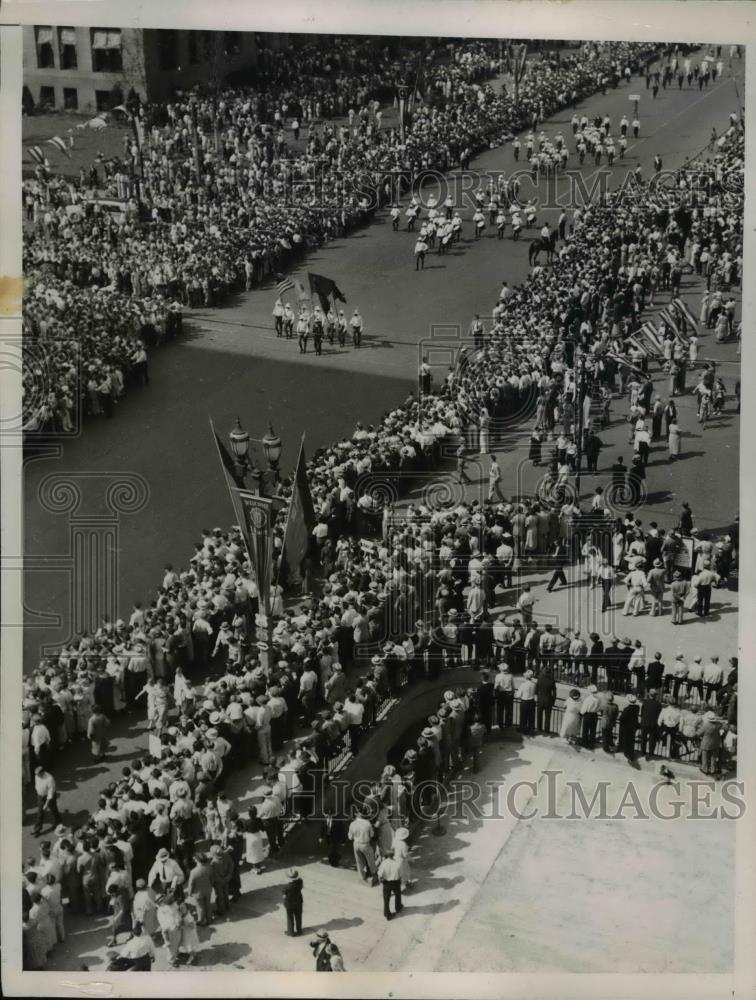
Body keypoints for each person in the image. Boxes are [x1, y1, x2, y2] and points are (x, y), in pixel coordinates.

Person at [32, 766, 60, 837]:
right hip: (40, 796)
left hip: (49, 797)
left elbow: (50, 793)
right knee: (40, 812)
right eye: (36, 774)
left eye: (38, 774)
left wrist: (46, 804)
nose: (36, 776)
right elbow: (37, 785)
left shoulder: (50, 779)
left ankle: (58, 820)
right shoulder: (37, 776)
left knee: (53, 809)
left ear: (42, 773)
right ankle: (37, 829)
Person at [376, 848, 404, 920]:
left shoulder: (384, 863)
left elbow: (379, 874)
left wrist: (381, 881)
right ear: (393, 855)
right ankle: (398, 907)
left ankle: (387, 914)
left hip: (386, 883)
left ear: (387, 855)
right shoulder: (397, 863)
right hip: (395, 882)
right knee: (398, 895)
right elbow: (400, 875)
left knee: (386, 899)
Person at [282, 869, 304, 936]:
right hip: (298, 902)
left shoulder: (286, 887)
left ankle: (291, 932)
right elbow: (302, 887)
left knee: (290, 918)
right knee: (298, 916)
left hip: (289, 904)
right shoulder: (300, 881)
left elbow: (284, 896)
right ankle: (299, 931)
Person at [618, 694, 640, 762]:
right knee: (631, 740)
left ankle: (627, 754)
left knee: (627, 741)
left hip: (627, 727)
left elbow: (621, 718)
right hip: (633, 726)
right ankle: (631, 754)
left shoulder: (627, 709)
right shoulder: (637, 708)